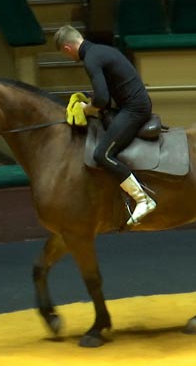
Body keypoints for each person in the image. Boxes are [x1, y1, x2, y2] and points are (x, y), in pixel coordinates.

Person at [54, 25, 156, 226]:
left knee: (102, 154)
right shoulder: (100, 50)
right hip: (130, 104)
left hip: (135, 109)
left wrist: (85, 108)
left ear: (67, 48)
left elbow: (101, 99)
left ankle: (143, 199)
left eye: (66, 55)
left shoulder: (91, 59)